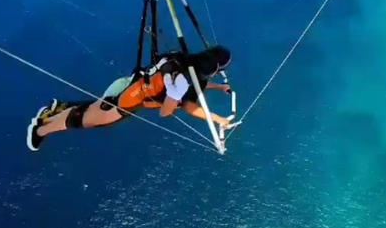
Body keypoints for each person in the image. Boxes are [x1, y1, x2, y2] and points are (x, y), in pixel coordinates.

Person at [26, 46, 235, 151]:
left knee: (94, 110)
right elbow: (166, 112)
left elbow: (195, 82)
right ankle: (40, 128)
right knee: (86, 120)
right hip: (125, 101)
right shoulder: (180, 83)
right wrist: (218, 119)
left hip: (128, 84)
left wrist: (218, 87)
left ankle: (55, 110)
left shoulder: (182, 58)